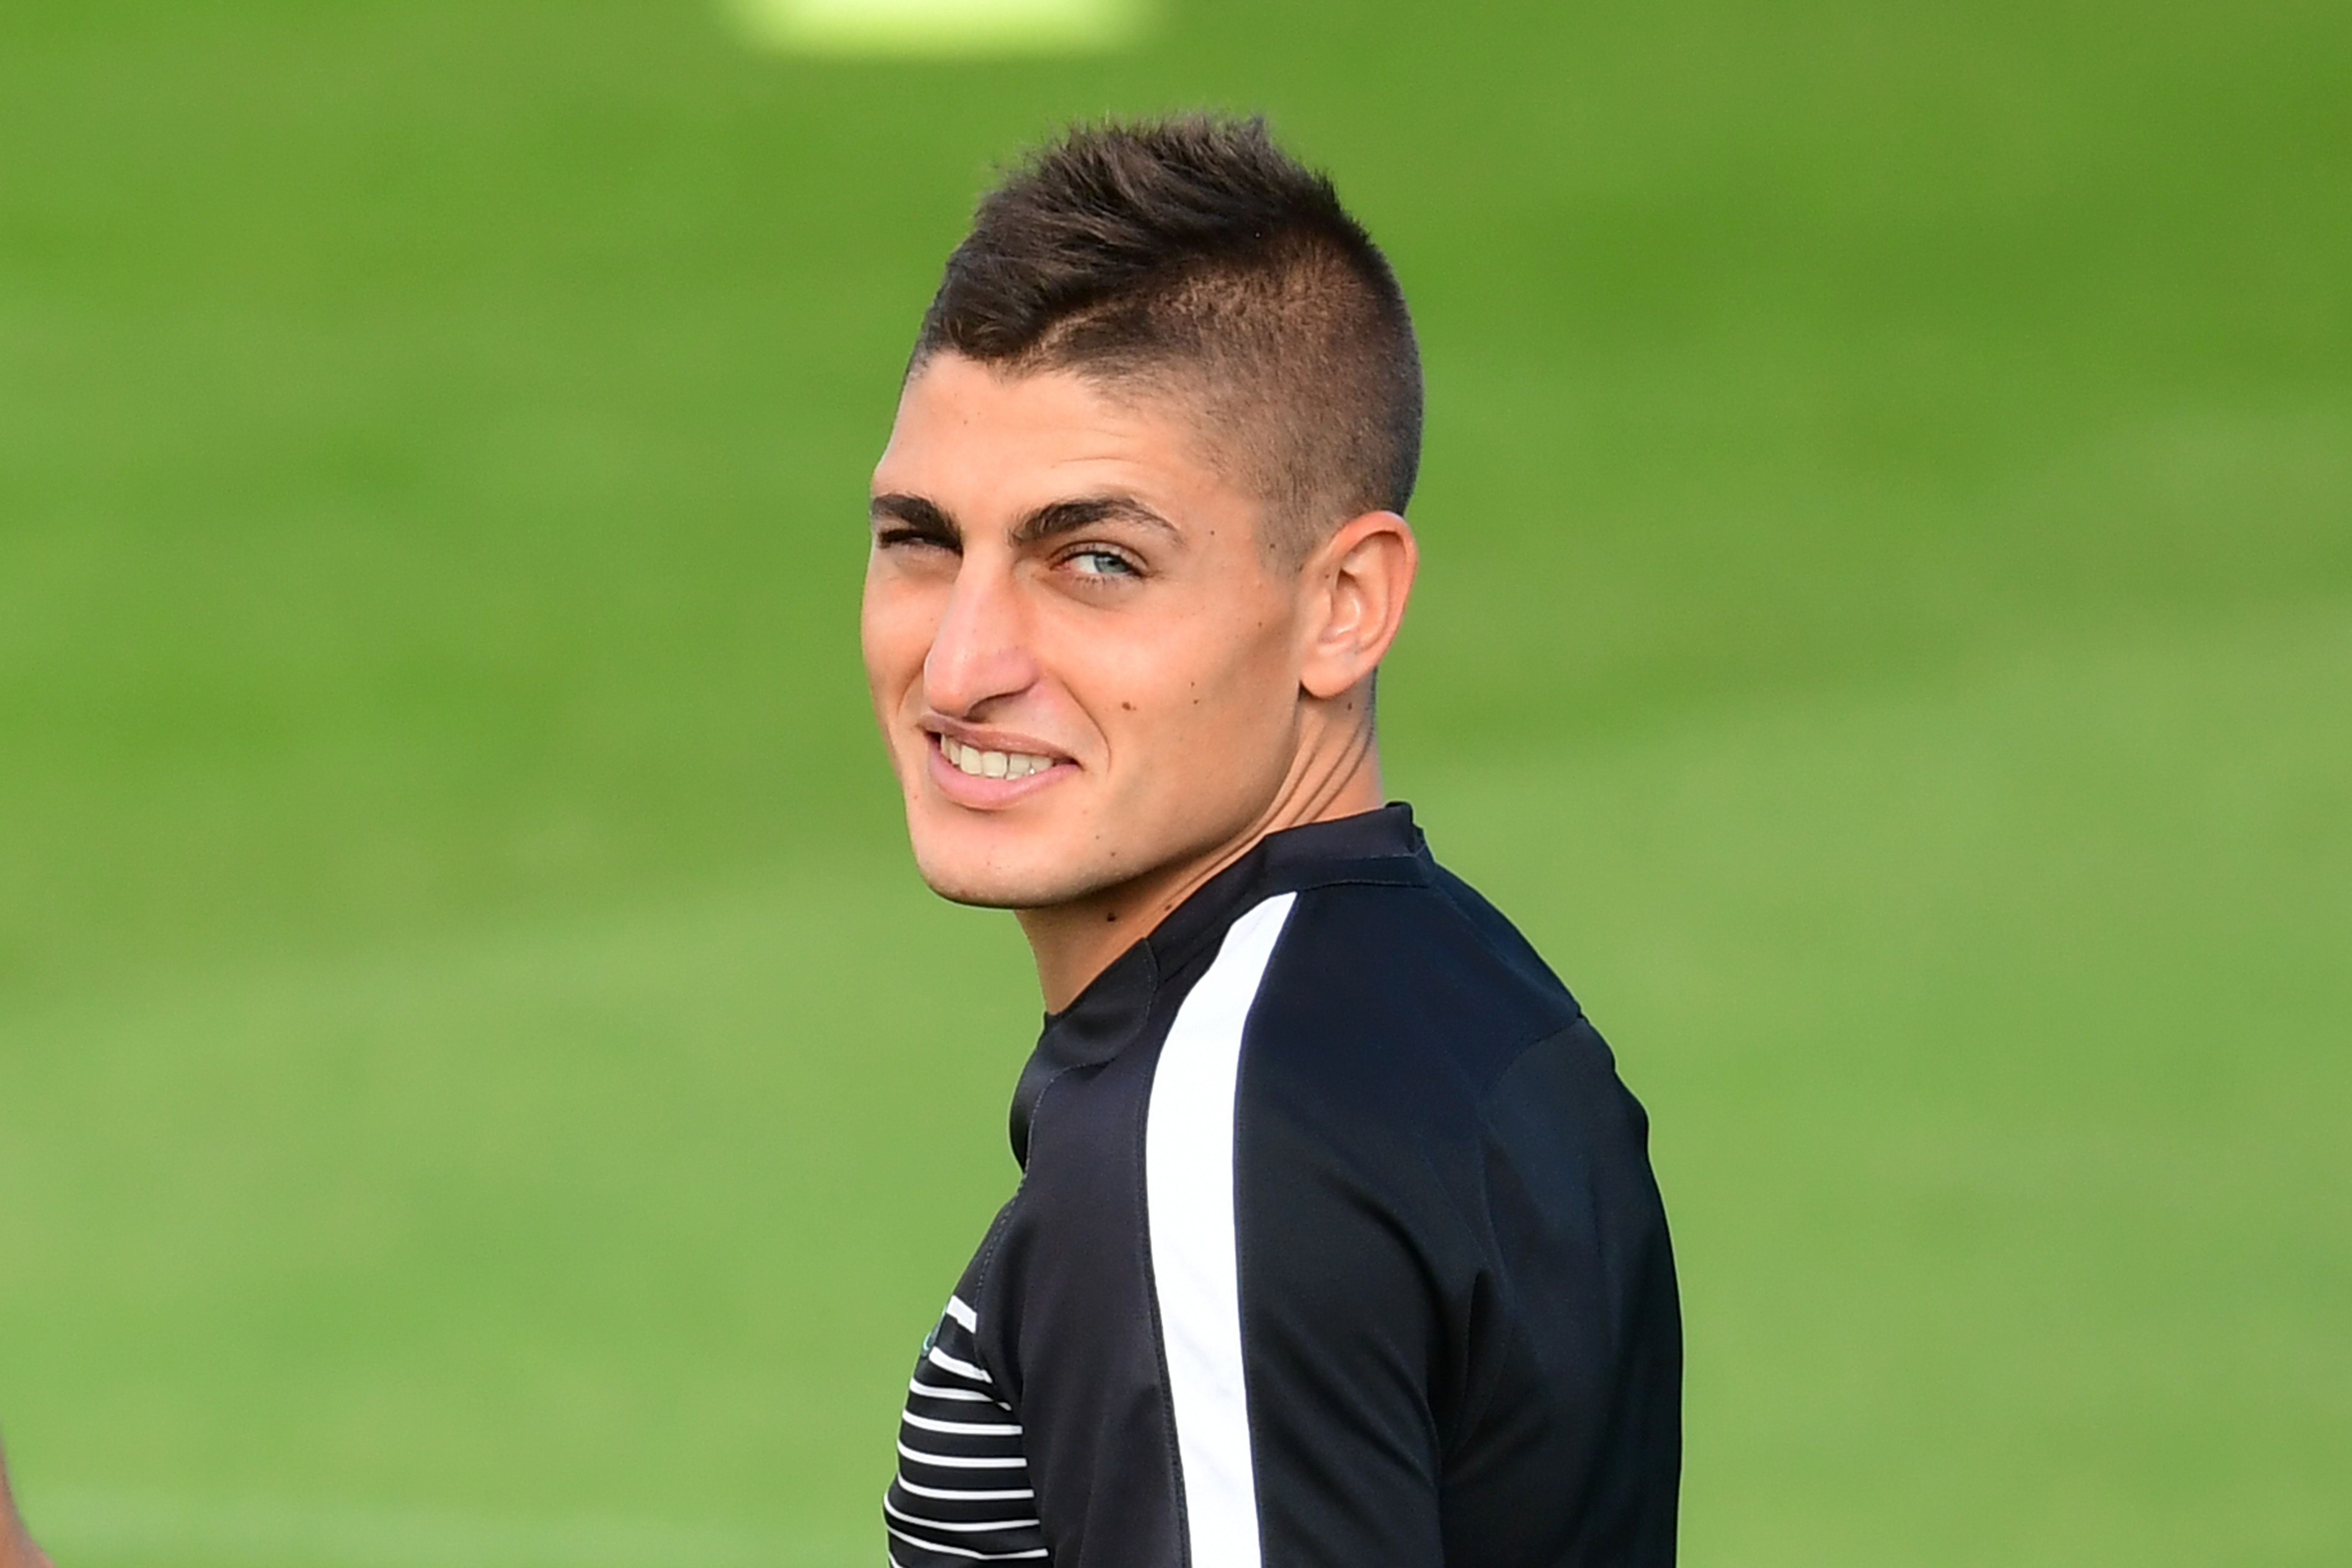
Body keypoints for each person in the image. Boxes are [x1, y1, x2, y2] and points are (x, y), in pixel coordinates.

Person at [865, 116, 1680, 1568]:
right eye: (922, 540)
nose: (960, 665)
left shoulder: (1215, 1134)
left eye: (1095, 560)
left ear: (1344, 606)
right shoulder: (1460, 994)